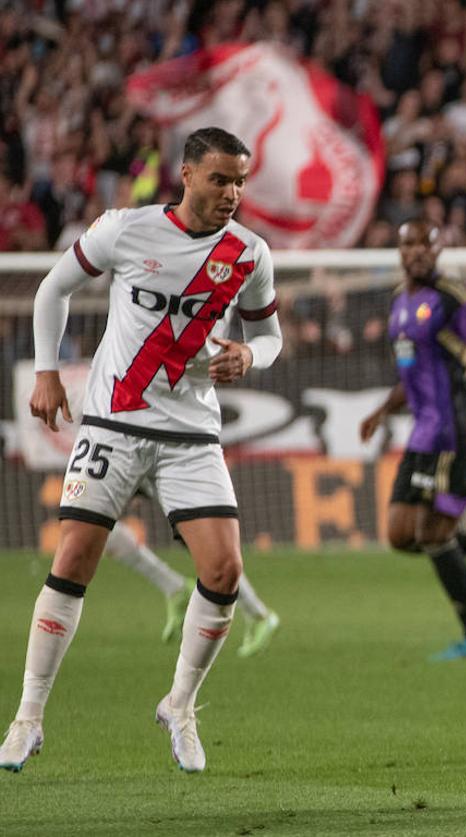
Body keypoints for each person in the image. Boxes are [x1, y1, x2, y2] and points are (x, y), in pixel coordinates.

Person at [0, 127, 282, 774]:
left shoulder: (249, 253)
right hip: (114, 422)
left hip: (190, 433)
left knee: (224, 573)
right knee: (73, 557)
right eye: (219, 179)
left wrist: (250, 352)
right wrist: (47, 373)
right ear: (185, 175)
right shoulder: (125, 228)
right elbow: (53, 288)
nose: (232, 193)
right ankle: (28, 717)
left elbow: (271, 335)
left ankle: (180, 703)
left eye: (240, 180)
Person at [359, 219, 466, 662]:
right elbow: (411, 372)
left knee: (434, 533)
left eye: (425, 244)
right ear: (400, 251)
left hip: (453, 431)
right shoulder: (400, 302)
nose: (416, 252)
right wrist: (382, 410)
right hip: (423, 433)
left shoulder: (452, 298)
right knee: (402, 535)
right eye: (409, 244)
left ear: (438, 251)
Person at [104, 520, 280, 656]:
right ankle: (176, 589)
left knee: (200, 540)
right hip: (129, 471)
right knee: (93, 522)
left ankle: (259, 615)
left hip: (167, 473)